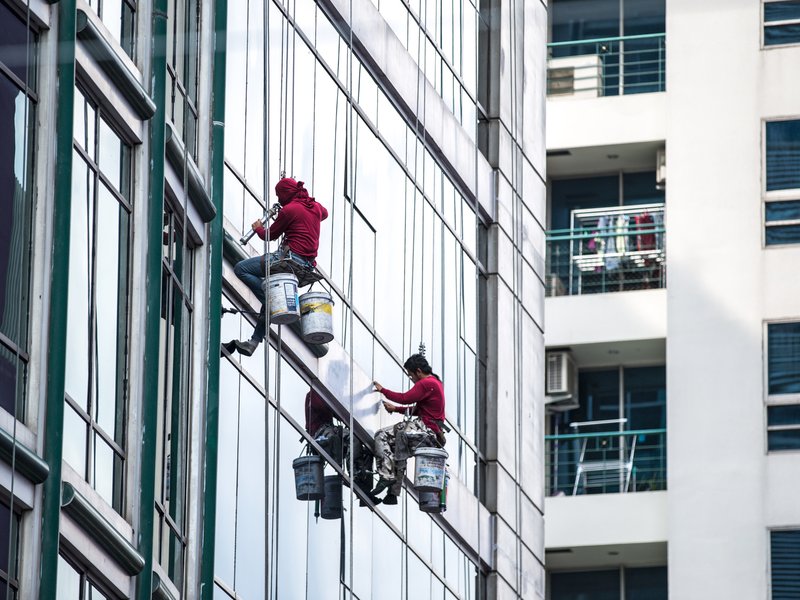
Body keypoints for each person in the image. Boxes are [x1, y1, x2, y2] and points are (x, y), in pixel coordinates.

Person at [227, 177, 328, 356]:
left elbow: (270, 235)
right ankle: (254, 342)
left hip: (286, 260)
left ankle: (270, 296)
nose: (279, 199)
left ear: (286, 194)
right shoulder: (316, 209)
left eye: (280, 195)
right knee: (272, 295)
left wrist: (258, 227)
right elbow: (325, 212)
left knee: (241, 269)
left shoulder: (289, 210)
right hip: (305, 266)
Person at [372, 354, 445, 504]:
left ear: (418, 371)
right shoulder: (436, 383)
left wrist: (383, 390)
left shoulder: (426, 383)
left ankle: (386, 476)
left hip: (424, 429)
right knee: (399, 450)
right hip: (430, 433)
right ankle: (393, 493)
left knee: (381, 435)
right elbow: (420, 410)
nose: (411, 378)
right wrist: (397, 409)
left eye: (410, 375)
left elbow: (405, 398)